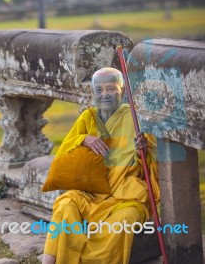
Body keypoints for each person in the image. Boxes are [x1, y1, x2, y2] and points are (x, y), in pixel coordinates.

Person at [42, 67, 160, 264]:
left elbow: (155, 163)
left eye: (111, 88)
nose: (105, 94)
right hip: (90, 193)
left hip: (125, 196)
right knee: (65, 204)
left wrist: (145, 149)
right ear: (93, 93)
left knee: (124, 220)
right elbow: (63, 155)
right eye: (99, 90)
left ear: (122, 90)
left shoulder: (137, 119)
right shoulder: (88, 117)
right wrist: (83, 139)